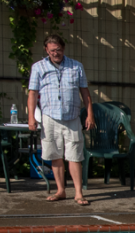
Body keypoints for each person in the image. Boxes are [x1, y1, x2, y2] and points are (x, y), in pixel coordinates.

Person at [27, 33, 95, 206]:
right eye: (51, 51)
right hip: (50, 117)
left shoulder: (76, 66)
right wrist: (31, 118)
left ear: (63, 49)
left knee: (75, 155)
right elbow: (33, 93)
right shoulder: (38, 67)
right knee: (55, 155)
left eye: (58, 50)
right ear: (46, 50)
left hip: (72, 117)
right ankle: (61, 190)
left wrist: (90, 114)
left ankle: (78, 193)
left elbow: (85, 92)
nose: (55, 53)